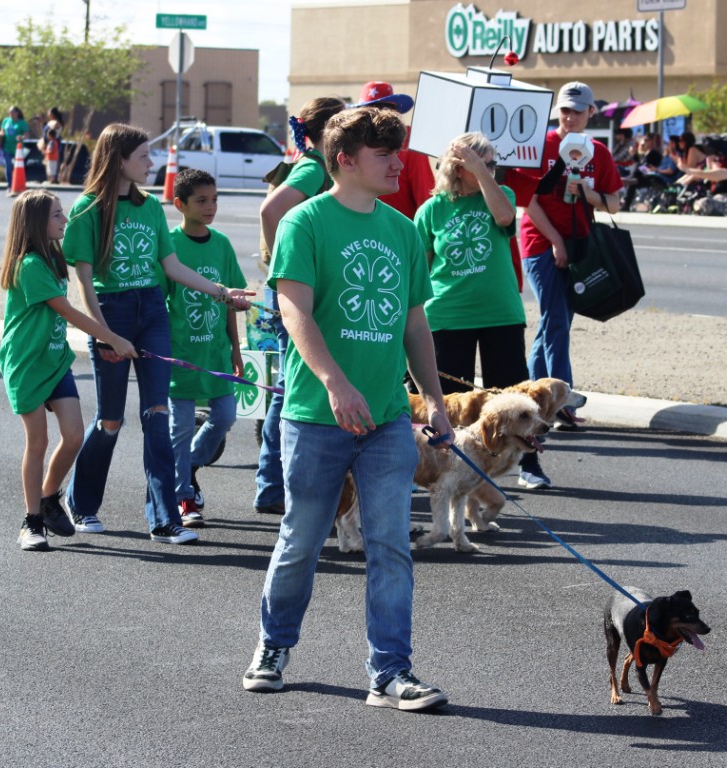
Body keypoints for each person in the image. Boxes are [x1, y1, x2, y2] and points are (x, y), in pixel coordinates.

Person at [242, 107, 454, 712]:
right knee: (302, 541)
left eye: (398, 151)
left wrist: (435, 402)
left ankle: (391, 672)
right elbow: (295, 313)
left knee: (390, 545)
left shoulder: (405, 230)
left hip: (388, 419)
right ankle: (274, 647)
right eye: (383, 153)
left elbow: (416, 322)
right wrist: (335, 383)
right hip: (315, 416)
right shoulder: (304, 223)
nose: (397, 163)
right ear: (345, 160)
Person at [62, 123, 252, 545]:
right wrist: (105, 333)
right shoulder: (87, 209)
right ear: (120, 160)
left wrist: (223, 293)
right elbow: (85, 282)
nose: (153, 164)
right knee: (110, 420)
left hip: (151, 310)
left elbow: (173, 269)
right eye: (145, 157)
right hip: (111, 312)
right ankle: (81, 504)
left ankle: (165, 518)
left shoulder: (150, 208)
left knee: (158, 416)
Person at [0, 190, 136, 551]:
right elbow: (68, 312)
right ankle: (31, 523)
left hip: (56, 360)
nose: (64, 220)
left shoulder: (52, 258)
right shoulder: (28, 265)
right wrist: (113, 339)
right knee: (38, 442)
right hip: (27, 363)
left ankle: (48, 499)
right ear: (36, 224)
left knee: (74, 435)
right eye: (57, 215)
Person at [505, 81, 622, 489]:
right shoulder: (540, 145)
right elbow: (528, 199)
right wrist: (554, 240)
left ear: (591, 113)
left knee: (556, 326)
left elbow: (614, 203)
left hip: (582, 245)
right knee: (554, 320)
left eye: (576, 111)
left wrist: (586, 190)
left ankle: (539, 398)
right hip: (541, 242)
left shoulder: (599, 153)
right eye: (563, 111)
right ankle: (562, 402)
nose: (568, 118)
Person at [254, 96, 346, 516]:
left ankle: (274, 483)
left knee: (287, 386)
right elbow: (271, 210)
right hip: (292, 293)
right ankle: (274, 485)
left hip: (292, 290)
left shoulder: (309, 164)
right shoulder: (313, 167)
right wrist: (283, 266)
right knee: (290, 389)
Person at [413, 132, 527, 393]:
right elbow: (420, 272)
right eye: (483, 164)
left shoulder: (502, 194)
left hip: (500, 315)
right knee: (451, 405)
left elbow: (505, 218)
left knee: (508, 405)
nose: (491, 170)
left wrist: (482, 172)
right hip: (447, 316)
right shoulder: (431, 210)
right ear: (458, 169)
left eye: (492, 164)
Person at [167, 169, 247, 527]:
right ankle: (184, 497)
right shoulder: (168, 245)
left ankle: (189, 465)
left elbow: (231, 300)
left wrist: (236, 348)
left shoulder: (223, 245)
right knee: (179, 428)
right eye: (201, 200)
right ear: (180, 204)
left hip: (216, 353)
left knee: (226, 417)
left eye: (214, 199)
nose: (210, 206)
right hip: (180, 356)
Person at [351, 81, 435, 219]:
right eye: (372, 110)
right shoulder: (352, 142)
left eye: (385, 109)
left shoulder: (409, 141)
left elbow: (425, 197)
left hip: (399, 232)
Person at [0, 106, 29, 193]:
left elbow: (26, 135)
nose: (10, 114)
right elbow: (2, 131)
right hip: (7, 147)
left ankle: (18, 184)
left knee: (18, 167)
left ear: (17, 113)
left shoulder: (22, 123)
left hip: (18, 149)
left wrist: (21, 137)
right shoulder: (6, 121)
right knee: (8, 167)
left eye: (12, 112)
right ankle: (9, 185)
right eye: (9, 112)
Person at [42, 108, 65, 183]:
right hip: (49, 143)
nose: (48, 114)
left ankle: (55, 179)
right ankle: (50, 178)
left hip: (54, 144)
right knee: (49, 162)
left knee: (54, 162)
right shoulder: (50, 122)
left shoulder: (56, 123)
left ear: (53, 114)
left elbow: (52, 132)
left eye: (49, 113)